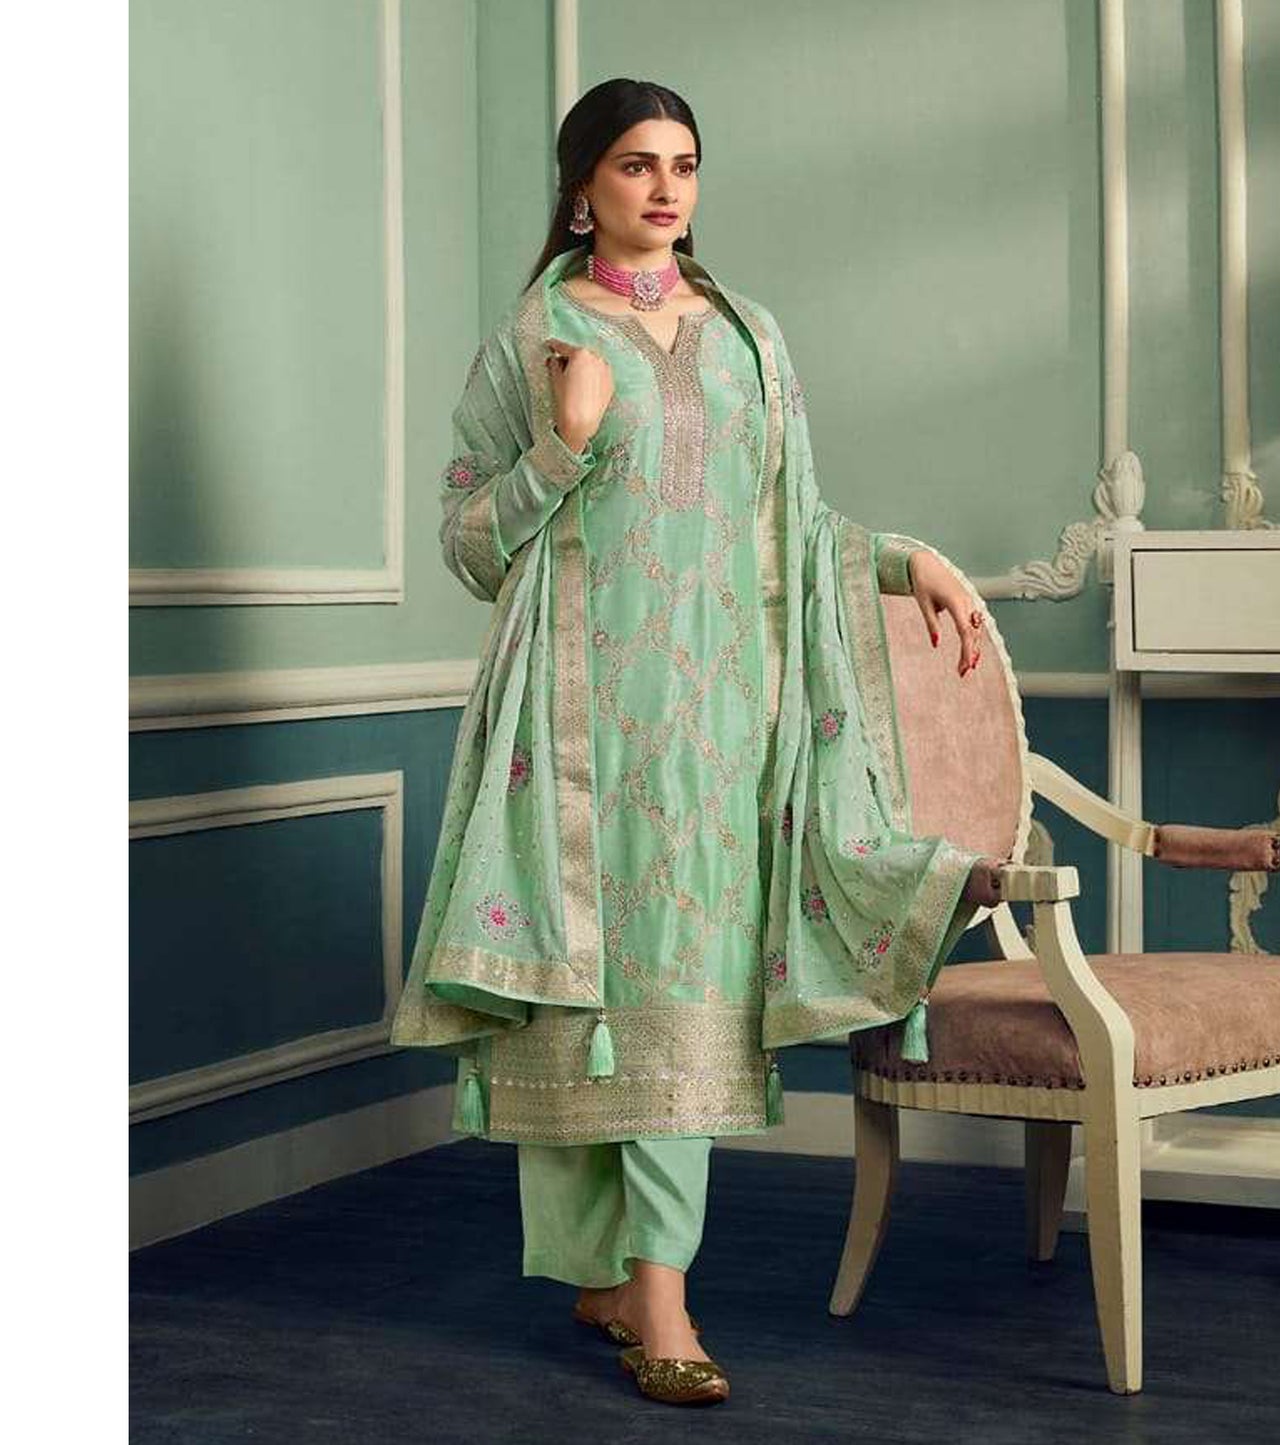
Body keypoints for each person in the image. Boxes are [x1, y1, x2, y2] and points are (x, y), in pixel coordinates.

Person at [389, 78, 1003, 1407]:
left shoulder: (746, 337)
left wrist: (905, 560)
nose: (664, 188)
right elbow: (469, 543)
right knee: (586, 1005)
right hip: (576, 724)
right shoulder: (534, 336)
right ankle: (611, 1276)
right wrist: (562, 443)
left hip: (723, 725)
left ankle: (658, 1286)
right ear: (581, 189)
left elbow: (794, 522)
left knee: (683, 999)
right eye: (634, 165)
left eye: (682, 164)